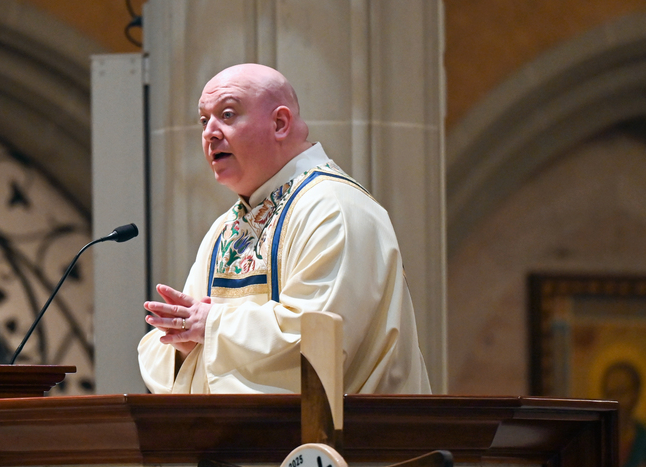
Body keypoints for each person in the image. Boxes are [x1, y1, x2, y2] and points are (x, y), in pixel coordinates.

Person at [138, 63, 431, 394]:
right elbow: (191, 335)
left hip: (345, 440)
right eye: (205, 121)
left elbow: (321, 339)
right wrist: (183, 343)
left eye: (229, 115)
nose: (210, 132)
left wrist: (211, 327)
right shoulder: (225, 228)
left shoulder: (332, 207)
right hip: (243, 439)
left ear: (279, 123)